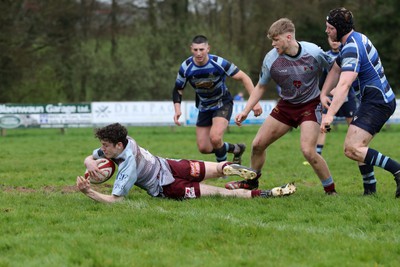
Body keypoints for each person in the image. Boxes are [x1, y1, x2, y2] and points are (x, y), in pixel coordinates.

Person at [225, 18, 338, 195]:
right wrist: (246, 110)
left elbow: (335, 69)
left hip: (311, 104)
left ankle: (330, 190)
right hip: (286, 106)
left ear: (288, 36)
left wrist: (330, 91)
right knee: (257, 145)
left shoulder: (314, 52)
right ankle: (251, 183)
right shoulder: (271, 59)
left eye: (276, 39)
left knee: (308, 151)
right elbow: (261, 86)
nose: (273, 44)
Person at [76, 123, 296, 203]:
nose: (102, 150)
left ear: (118, 146)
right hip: (172, 165)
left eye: (106, 145)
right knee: (218, 170)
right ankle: (239, 171)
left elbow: (116, 200)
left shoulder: (127, 167)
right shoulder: (129, 141)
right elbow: (92, 155)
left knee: (222, 195)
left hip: (169, 187)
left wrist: (89, 192)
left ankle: (265, 195)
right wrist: (89, 162)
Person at [320, 7, 400, 196]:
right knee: (358, 146)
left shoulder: (352, 49)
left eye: (330, 28)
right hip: (375, 100)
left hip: (377, 102)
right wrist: (323, 93)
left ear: (339, 29)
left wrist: (329, 116)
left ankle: (397, 171)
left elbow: (344, 84)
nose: (327, 31)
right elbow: (335, 69)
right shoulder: (355, 39)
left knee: (352, 148)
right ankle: (370, 190)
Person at [172, 35, 263, 164]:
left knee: (215, 138)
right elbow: (178, 89)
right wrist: (177, 109)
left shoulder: (219, 63)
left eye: (202, 49)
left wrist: (255, 102)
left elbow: (244, 77)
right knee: (204, 148)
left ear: (208, 48)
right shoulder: (186, 67)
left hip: (222, 103)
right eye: (196, 50)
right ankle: (236, 149)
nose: (199, 53)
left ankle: (223, 169)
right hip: (204, 106)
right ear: (191, 49)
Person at [316, 37, 359, 155]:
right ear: (328, 40)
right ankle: (318, 154)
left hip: (346, 95)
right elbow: (323, 78)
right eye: (331, 39)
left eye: (336, 40)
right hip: (329, 96)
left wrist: (340, 90)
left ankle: (357, 149)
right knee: (323, 123)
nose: (334, 42)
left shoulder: (348, 53)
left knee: (353, 125)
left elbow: (351, 77)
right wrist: (325, 91)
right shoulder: (324, 56)